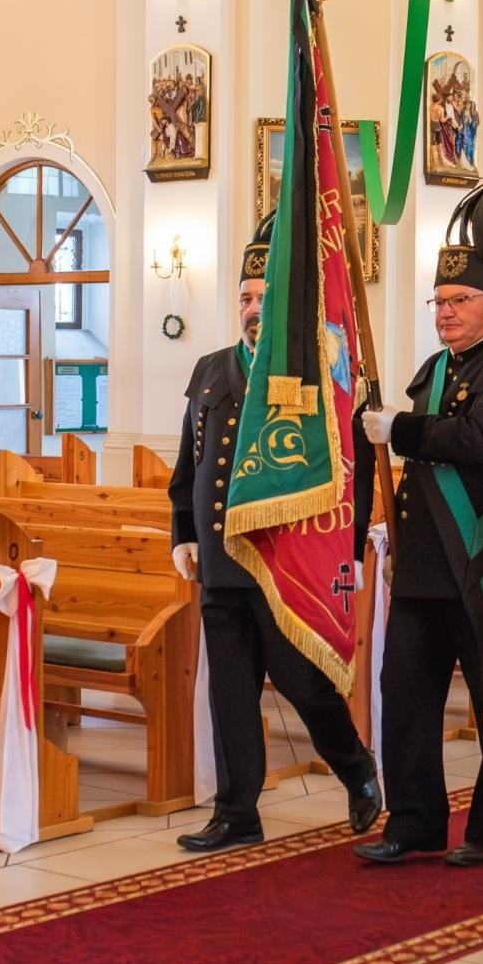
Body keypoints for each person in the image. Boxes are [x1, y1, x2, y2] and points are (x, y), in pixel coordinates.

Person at [167, 212, 380, 854]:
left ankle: (355, 768)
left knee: (302, 683)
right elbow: (191, 462)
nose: (254, 309)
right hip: (221, 561)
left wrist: (349, 545)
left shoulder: (319, 371)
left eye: (264, 298)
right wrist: (183, 531)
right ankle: (237, 812)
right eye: (245, 298)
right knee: (230, 691)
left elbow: (353, 466)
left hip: (288, 562)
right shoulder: (209, 369)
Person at [355, 171, 483, 868]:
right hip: (427, 566)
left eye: (458, 301)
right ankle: (412, 822)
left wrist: (399, 430)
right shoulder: (433, 371)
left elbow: (482, 442)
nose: (444, 313)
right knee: (405, 696)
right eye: (438, 301)